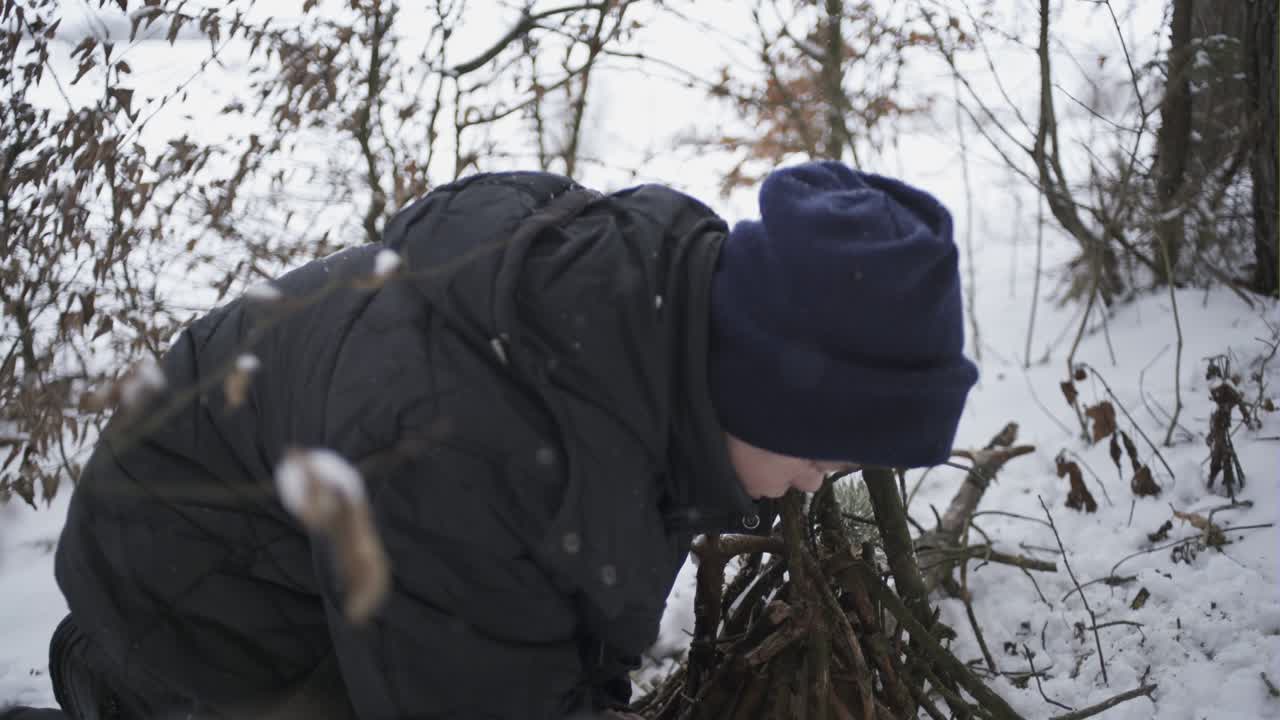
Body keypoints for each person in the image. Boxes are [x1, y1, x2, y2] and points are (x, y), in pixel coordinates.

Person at [3, 160, 977, 720]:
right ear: (764, 388)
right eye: (826, 453)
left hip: (312, 529)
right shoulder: (476, 449)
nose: (815, 486)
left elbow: (564, 614)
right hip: (191, 571)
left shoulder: (657, 343)